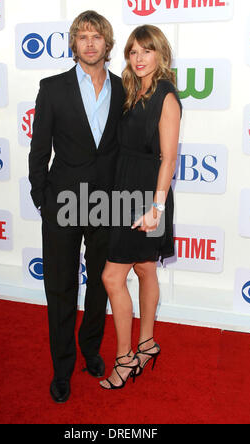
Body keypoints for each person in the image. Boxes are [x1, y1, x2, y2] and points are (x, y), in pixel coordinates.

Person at [28, 10, 125, 403]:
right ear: (73, 44)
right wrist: (42, 199)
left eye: (96, 36)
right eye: (82, 36)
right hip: (62, 201)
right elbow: (39, 149)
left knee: (102, 285)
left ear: (107, 44)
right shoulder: (52, 88)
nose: (89, 43)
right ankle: (62, 367)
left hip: (107, 201)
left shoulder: (123, 88)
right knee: (61, 287)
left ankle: (90, 350)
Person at [100, 25, 182, 390]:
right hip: (123, 188)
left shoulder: (165, 96)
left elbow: (169, 158)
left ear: (160, 54)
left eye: (146, 51)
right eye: (133, 52)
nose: (138, 58)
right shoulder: (133, 89)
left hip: (147, 197)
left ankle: (124, 358)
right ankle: (147, 343)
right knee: (146, 269)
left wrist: (156, 208)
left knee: (111, 277)